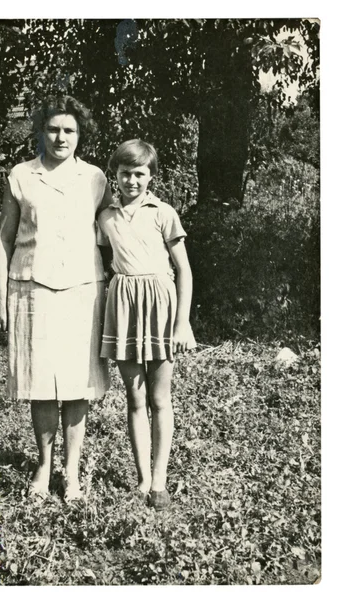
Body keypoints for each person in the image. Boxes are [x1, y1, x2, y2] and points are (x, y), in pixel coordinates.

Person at [0, 95, 111, 503]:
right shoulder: (22, 175)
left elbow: (115, 229)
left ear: (81, 135)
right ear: (41, 132)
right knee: (41, 383)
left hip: (83, 289)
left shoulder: (96, 179)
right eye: (53, 129)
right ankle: (43, 468)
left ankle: (72, 473)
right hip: (31, 288)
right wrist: (0, 295)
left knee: (77, 383)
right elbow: (4, 239)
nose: (61, 137)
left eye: (70, 130)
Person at [97, 139, 196, 511]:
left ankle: (160, 479)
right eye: (125, 173)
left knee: (159, 397)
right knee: (134, 397)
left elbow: (184, 269)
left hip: (160, 304)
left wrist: (182, 323)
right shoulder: (105, 216)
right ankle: (141, 480)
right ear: (115, 175)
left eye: (140, 173)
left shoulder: (163, 212)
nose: (132, 181)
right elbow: (102, 260)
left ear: (151, 176)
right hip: (123, 304)